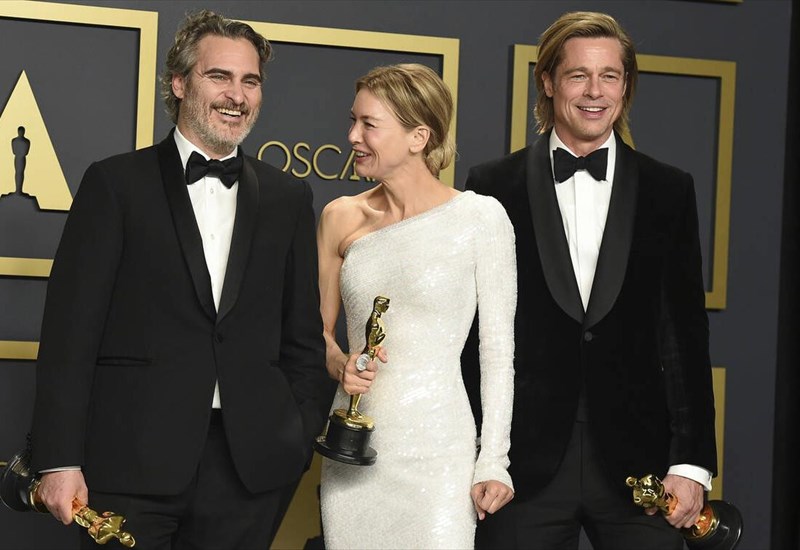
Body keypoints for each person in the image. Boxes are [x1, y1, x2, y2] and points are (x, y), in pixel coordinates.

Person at [29, 10, 329, 549]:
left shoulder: (288, 198)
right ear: (179, 83)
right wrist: (58, 458)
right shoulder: (115, 184)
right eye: (219, 76)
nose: (236, 95)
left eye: (250, 81)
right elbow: (69, 335)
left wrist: (296, 439)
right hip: (128, 462)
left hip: (249, 471)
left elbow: (303, 340)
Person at [462, 11, 717, 550]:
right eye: (578, 75)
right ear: (548, 82)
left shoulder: (669, 190)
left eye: (610, 76)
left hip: (643, 467)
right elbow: (474, 335)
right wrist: (478, 454)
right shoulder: (491, 186)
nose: (595, 92)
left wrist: (692, 461)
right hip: (519, 467)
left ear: (626, 86)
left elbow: (685, 334)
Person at [317, 63, 516, 549]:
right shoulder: (340, 217)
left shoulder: (480, 218)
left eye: (369, 124)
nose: (352, 136)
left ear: (418, 137)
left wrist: (493, 459)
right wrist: (341, 364)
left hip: (439, 454)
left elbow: (496, 352)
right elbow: (315, 334)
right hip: (353, 448)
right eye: (353, 121)